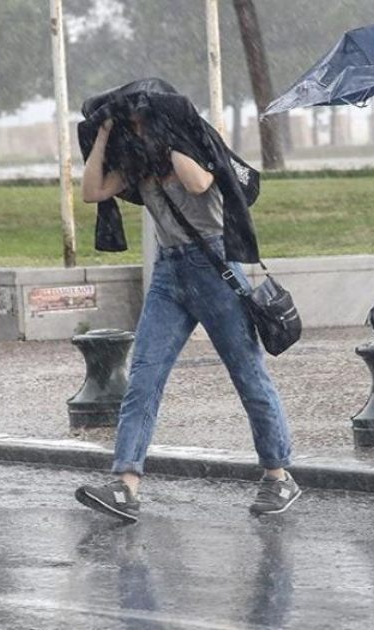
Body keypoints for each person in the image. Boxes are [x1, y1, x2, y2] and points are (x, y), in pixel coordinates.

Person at [74, 94, 299, 523]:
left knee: (248, 374)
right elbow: (91, 191)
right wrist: (103, 134)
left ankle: (278, 474)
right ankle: (125, 485)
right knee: (144, 377)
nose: (135, 132)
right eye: (130, 126)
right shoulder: (137, 166)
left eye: (140, 124)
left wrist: (165, 136)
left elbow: (196, 184)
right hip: (169, 274)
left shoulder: (196, 153)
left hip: (214, 268)